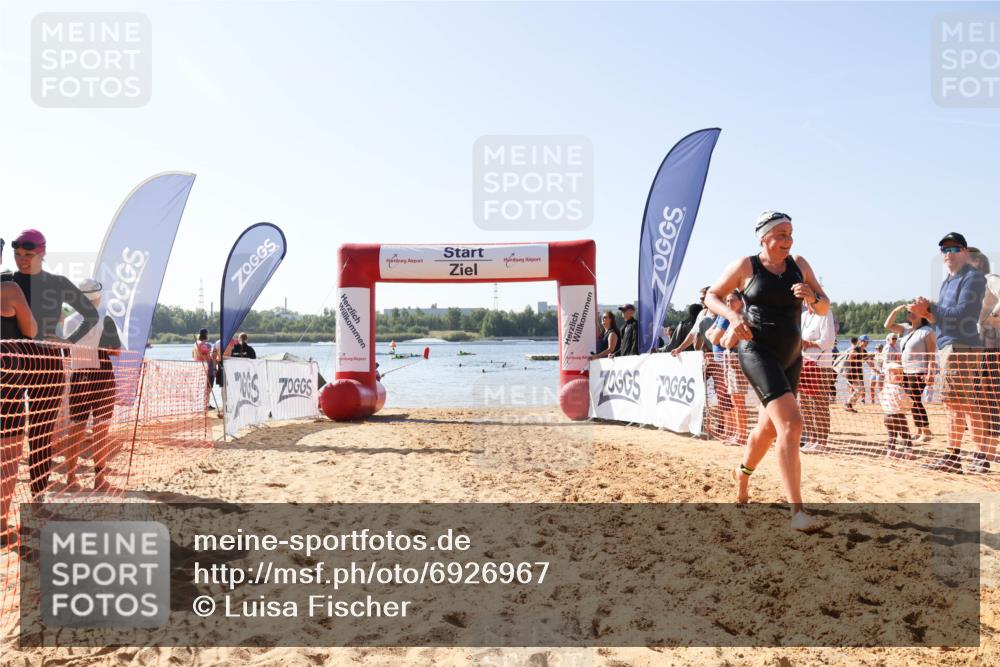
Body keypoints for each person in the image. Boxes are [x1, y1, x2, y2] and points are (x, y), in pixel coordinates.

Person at [705, 210, 829, 532]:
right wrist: (733, 319)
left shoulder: (799, 265)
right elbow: (711, 296)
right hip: (757, 351)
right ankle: (797, 512)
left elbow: (824, 306)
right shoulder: (746, 266)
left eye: (791, 234)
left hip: (791, 356)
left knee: (769, 431)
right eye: (781, 235)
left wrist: (811, 296)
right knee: (792, 423)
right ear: (764, 237)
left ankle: (741, 474)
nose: (788, 241)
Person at [9, 229, 98, 499]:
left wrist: (69, 341)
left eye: (28, 255)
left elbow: (90, 315)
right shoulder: (7, 282)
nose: (22, 260)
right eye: (17, 255)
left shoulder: (58, 283)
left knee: (41, 434)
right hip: (12, 362)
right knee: (9, 434)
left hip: (48, 364)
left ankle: (38, 497)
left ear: (42, 253)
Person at [910, 232, 988, 473]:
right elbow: (941, 320)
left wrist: (930, 307)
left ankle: (961, 456)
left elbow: (964, 313)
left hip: (961, 346)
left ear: (965, 252)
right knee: (961, 402)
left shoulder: (973, 277)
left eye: (954, 249)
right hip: (949, 345)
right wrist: (926, 313)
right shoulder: (947, 281)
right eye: (944, 250)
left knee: (956, 403)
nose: (947, 254)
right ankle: (972, 456)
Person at [62, 279, 122, 492]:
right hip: (101, 377)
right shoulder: (105, 319)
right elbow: (116, 351)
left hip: (79, 376)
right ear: (98, 297)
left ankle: (70, 477)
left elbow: (66, 348)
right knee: (101, 430)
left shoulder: (69, 321)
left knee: (75, 428)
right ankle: (99, 478)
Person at [1, 238, 38, 546]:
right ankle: (0, 526)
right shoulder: (9, 290)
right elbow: (32, 331)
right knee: (9, 457)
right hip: (8, 385)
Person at [885, 303, 936, 442]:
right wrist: (896, 310)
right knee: (910, 401)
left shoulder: (927, 331)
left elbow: (932, 355)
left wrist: (930, 373)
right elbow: (887, 325)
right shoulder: (906, 329)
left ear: (922, 314)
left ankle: (926, 431)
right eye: (909, 312)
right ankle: (919, 430)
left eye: (913, 311)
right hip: (905, 371)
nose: (909, 314)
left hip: (919, 371)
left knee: (914, 400)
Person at [704, 290, 747, 446]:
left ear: (741, 302)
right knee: (734, 400)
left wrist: (724, 339)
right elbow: (720, 340)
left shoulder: (740, 318)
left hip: (736, 361)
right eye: (727, 301)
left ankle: (741, 435)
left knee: (738, 400)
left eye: (732, 300)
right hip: (730, 360)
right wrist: (724, 339)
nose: (729, 304)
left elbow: (724, 341)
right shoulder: (731, 318)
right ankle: (737, 433)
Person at [969, 248, 1000, 464]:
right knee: (977, 400)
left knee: (991, 400)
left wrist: (992, 317)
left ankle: (988, 452)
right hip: (975, 350)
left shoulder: (990, 279)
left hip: (992, 348)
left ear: (977, 262)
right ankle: (984, 450)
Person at [799, 302, 837, 453]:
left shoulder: (825, 313)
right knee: (804, 403)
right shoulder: (803, 316)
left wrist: (807, 343)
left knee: (819, 403)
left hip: (821, 365)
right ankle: (811, 438)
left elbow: (828, 341)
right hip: (804, 363)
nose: (806, 301)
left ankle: (822, 440)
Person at [880, 362, 915, 459]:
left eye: (901, 373)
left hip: (887, 416)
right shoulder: (898, 388)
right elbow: (904, 400)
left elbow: (881, 398)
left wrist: (886, 408)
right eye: (895, 374)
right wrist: (909, 405)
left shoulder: (885, 388)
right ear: (887, 376)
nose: (899, 375)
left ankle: (890, 452)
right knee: (905, 434)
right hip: (898, 416)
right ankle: (909, 453)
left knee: (892, 434)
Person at [841, 336, 870, 412]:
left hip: (857, 372)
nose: (867, 343)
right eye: (865, 341)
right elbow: (850, 358)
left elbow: (868, 361)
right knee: (859, 389)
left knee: (860, 389)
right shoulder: (855, 349)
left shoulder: (864, 351)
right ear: (861, 341)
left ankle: (849, 404)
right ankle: (848, 404)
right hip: (850, 372)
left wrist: (877, 370)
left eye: (868, 341)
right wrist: (861, 359)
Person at [193, 329, 215, 410]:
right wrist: (212, 363)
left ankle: (205, 404)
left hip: (199, 367)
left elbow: (193, 356)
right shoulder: (204, 345)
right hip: (207, 368)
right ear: (206, 335)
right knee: (208, 387)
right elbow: (207, 358)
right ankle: (206, 404)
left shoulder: (195, 344)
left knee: (204, 387)